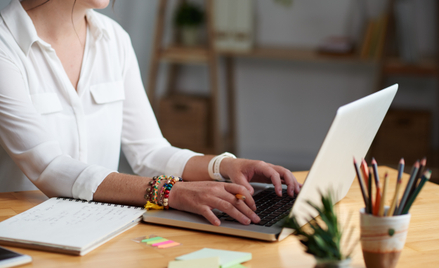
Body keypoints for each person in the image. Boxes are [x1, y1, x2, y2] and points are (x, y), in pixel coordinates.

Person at [0, 0, 301, 226]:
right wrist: (172, 192)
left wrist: (223, 165)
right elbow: (50, 168)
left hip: (98, 228)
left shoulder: (113, 39)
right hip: (24, 235)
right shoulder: (5, 45)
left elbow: (148, 152)